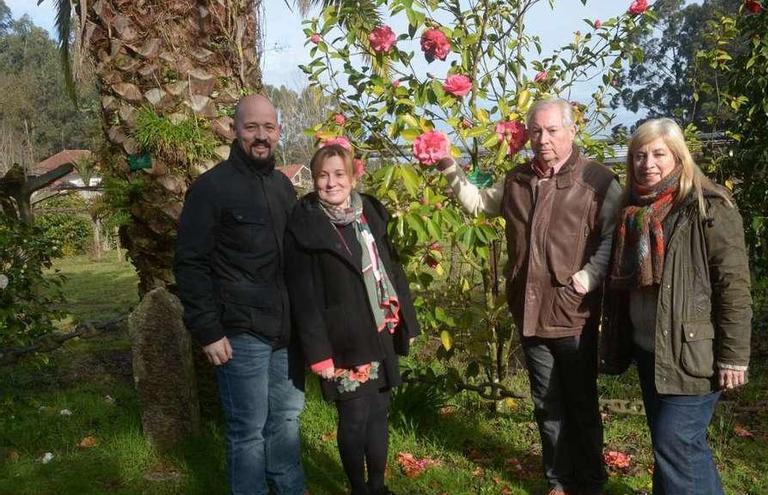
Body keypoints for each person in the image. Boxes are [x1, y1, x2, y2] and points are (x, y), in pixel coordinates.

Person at [435, 98, 622, 495]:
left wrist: (589, 276)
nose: (543, 139)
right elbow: (478, 204)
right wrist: (449, 167)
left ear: (572, 131)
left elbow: (613, 236)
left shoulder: (598, 181)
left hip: (573, 313)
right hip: (529, 310)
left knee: (580, 404)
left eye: (553, 130)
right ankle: (558, 480)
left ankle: (590, 481)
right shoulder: (517, 180)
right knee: (546, 403)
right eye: (536, 131)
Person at [601, 118, 752, 495]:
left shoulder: (707, 207)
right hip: (650, 349)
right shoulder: (632, 209)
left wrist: (735, 356)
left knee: (675, 443)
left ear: (678, 157)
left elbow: (733, 286)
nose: (647, 164)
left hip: (693, 352)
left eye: (657, 154)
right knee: (675, 446)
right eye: (638, 155)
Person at [174, 95, 306, 495]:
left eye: (269, 127)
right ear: (235, 130)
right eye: (252, 127)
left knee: (285, 424)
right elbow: (189, 263)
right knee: (247, 432)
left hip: (286, 333)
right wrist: (208, 331)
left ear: (279, 132)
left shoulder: (285, 186)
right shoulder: (211, 189)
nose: (261, 136)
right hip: (240, 334)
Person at [285, 144, 420, 495]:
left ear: (353, 176)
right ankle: (358, 489)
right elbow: (303, 296)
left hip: (379, 332)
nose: (331, 183)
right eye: (322, 176)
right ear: (314, 179)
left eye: (339, 174)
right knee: (355, 418)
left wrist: (408, 322)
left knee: (378, 414)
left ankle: (377, 486)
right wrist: (318, 352)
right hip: (340, 341)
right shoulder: (304, 225)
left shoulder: (370, 214)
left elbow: (393, 270)